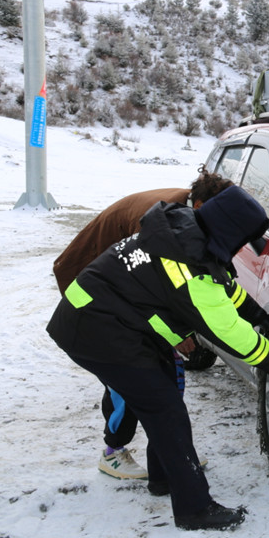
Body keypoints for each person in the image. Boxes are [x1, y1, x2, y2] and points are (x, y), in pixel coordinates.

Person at [47, 185, 269, 530]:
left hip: (115, 320)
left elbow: (225, 286)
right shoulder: (191, 269)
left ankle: (163, 477)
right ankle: (194, 509)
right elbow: (229, 331)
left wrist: (258, 314)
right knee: (166, 410)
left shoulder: (186, 233)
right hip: (95, 328)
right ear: (230, 231)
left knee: (164, 400)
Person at [53, 170, 232, 480]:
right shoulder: (159, 224)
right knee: (129, 380)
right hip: (94, 299)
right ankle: (113, 452)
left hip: (119, 297)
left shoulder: (184, 215)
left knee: (160, 380)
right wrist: (175, 337)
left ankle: (169, 454)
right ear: (202, 205)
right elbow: (150, 292)